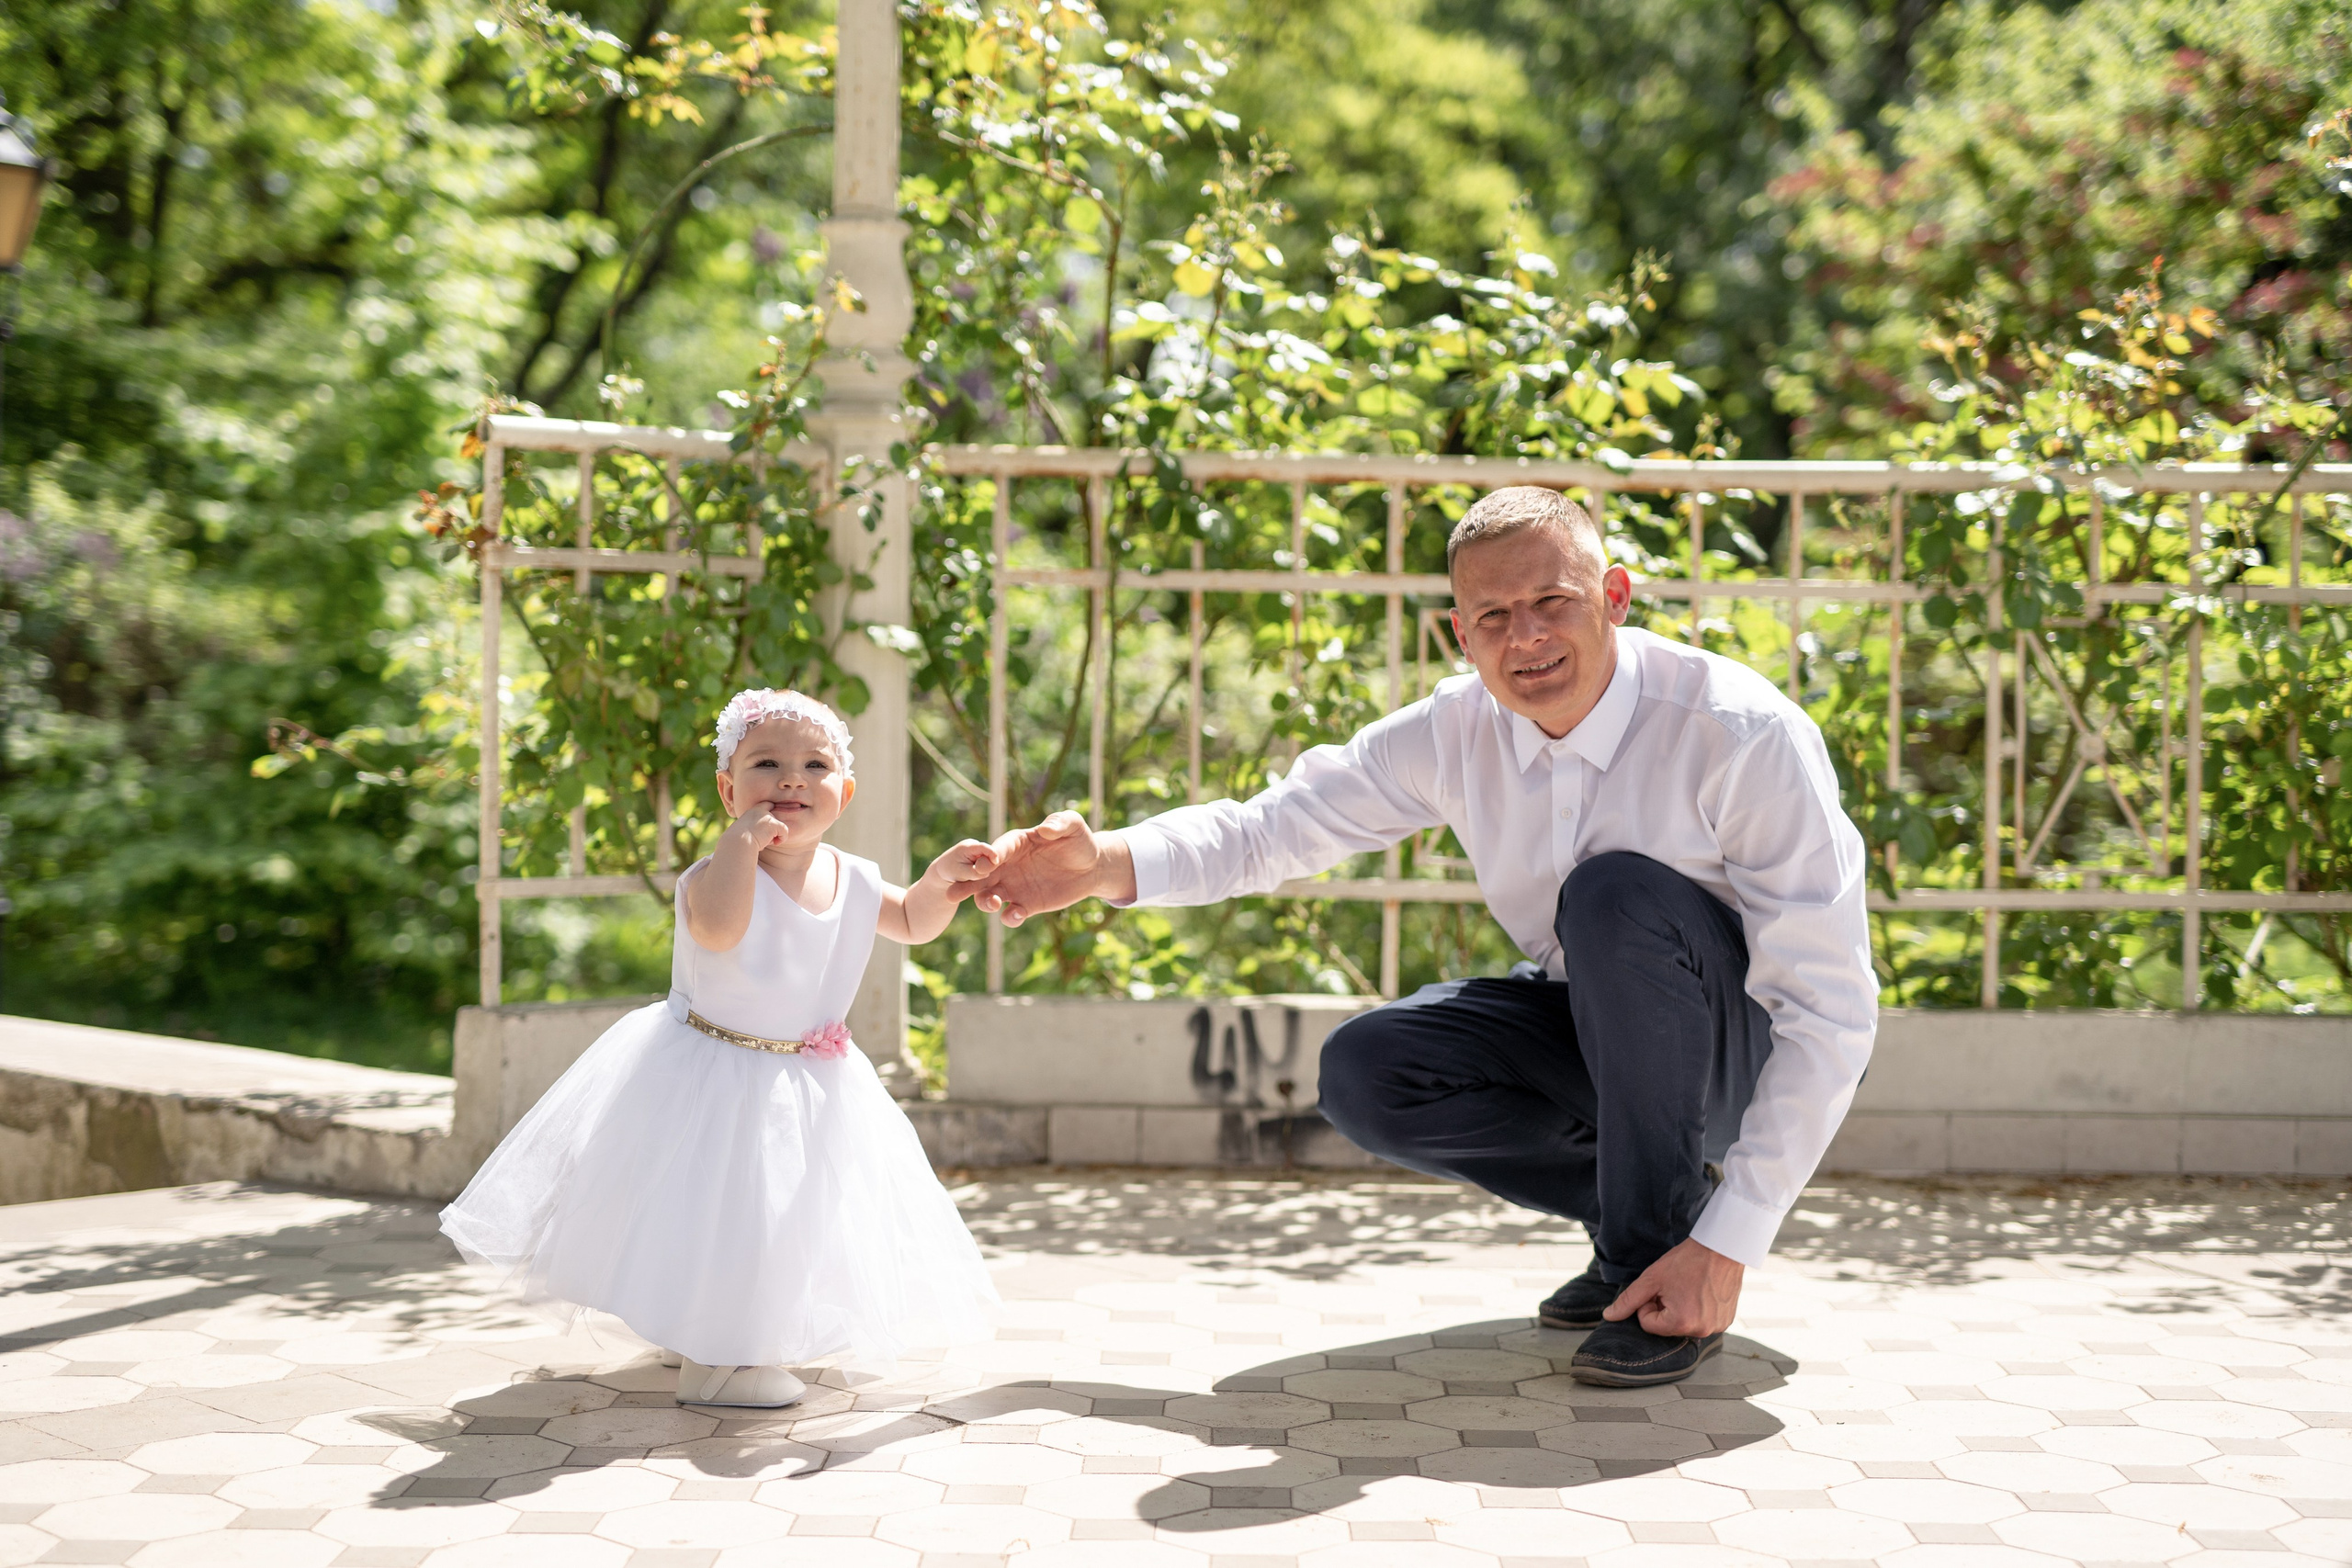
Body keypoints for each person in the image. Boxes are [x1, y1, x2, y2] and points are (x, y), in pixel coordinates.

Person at [971, 485, 1875, 1388]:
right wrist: (1103, 864)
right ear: (1461, 635)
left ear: (1615, 597)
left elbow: (1828, 1009)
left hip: (1741, 1054)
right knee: (1370, 1069)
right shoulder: (1455, 729)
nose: (1525, 636)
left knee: (1613, 897)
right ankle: (1653, 1213)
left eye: (1552, 601)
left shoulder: (1737, 732)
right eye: (1494, 616)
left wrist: (1733, 1242)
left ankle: (1660, 1263)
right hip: (1604, 1036)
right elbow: (1273, 828)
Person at [441, 688, 1001, 1407]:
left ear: (844, 792)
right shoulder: (716, 874)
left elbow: (914, 922)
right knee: (718, 1216)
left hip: (809, 1081)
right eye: (766, 764)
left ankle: (710, 1330)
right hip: (713, 1071)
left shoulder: (856, 877)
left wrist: (941, 882)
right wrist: (739, 846)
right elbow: (718, 930)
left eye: (816, 765)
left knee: (786, 1218)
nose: (792, 778)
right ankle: (722, 1362)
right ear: (729, 790)